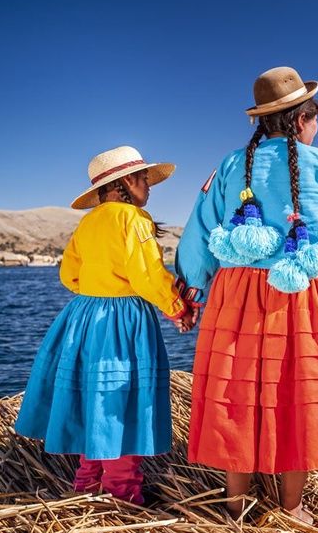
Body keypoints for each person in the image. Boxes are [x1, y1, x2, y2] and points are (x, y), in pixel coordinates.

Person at [174, 66, 318, 523]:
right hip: (307, 290)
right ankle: (292, 505)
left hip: (237, 294)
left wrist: (191, 291)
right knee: (300, 392)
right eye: (315, 118)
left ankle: (234, 503)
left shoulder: (228, 165)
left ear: (264, 122)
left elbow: (198, 233)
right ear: (302, 119)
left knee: (237, 392)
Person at [15, 145, 194, 505]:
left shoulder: (88, 222)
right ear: (127, 181)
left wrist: (96, 292)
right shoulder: (133, 220)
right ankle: (123, 494)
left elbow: (69, 275)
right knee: (122, 402)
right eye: (144, 177)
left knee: (96, 400)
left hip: (83, 317)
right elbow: (146, 276)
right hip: (123, 321)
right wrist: (177, 308)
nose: (149, 185)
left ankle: (87, 485)